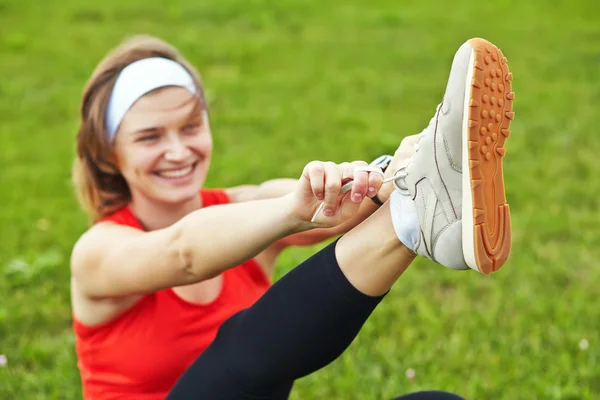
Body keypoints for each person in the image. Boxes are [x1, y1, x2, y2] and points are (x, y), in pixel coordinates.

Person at [70, 34, 514, 400]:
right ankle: (417, 213)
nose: (177, 150)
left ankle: (418, 199)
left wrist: (391, 172)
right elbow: (183, 252)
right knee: (240, 344)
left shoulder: (246, 203)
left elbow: (335, 212)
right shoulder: (97, 253)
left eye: (190, 127)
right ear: (108, 154)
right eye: (150, 136)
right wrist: (291, 211)